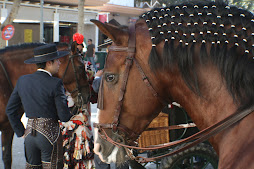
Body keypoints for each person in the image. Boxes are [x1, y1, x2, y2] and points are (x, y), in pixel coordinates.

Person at [5, 44, 73, 169]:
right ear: (49, 62)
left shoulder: (22, 81)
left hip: (30, 135)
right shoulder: (56, 83)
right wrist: (72, 110)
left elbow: (10, 110)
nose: (59, 63)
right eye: (57, 60)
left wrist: (21, 131)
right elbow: (64, 117)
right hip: (49, 134)